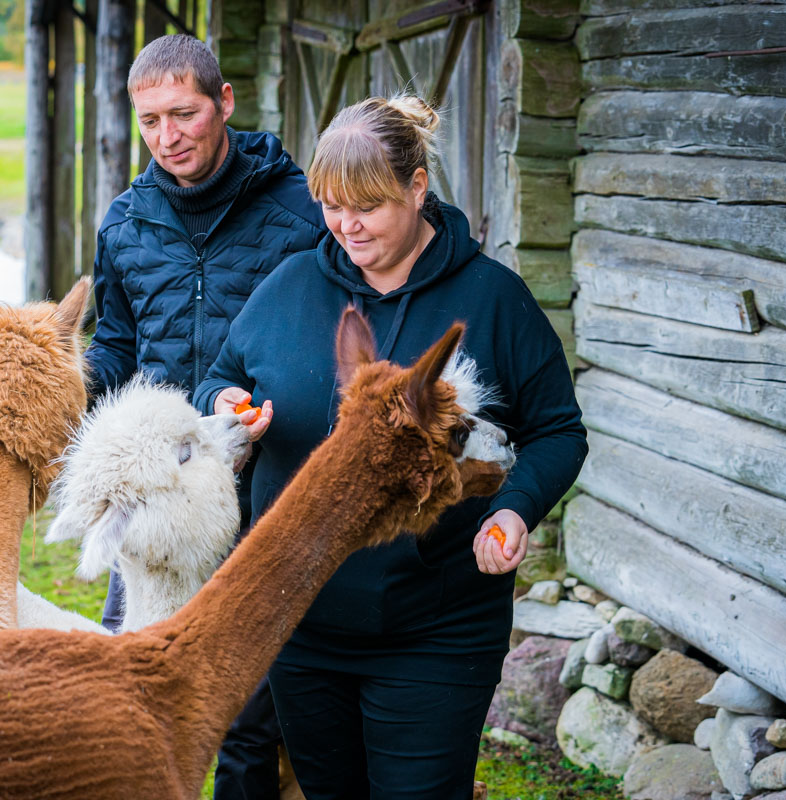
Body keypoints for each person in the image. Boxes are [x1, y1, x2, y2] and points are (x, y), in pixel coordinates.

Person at [193, 95, 588, 799]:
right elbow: (221, 375)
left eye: (367, 206)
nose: (346, 225)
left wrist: (515, 509)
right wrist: (224, 403)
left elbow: (558, 430)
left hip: (436, 630)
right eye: (331, 205)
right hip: (301, 624)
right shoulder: (289, 286)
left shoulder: (494, 299)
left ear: (416, 188)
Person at [83, 33, 325, 800]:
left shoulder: (301, 213)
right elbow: (116, 346)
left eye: (183, 114)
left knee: (247, 712)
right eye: (150, 121)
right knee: (134, 682)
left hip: (264, 486)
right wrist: (66, 387)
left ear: (224, 102)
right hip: (161, 493)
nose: (168, 137)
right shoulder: (125, 223)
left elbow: (331, 339)